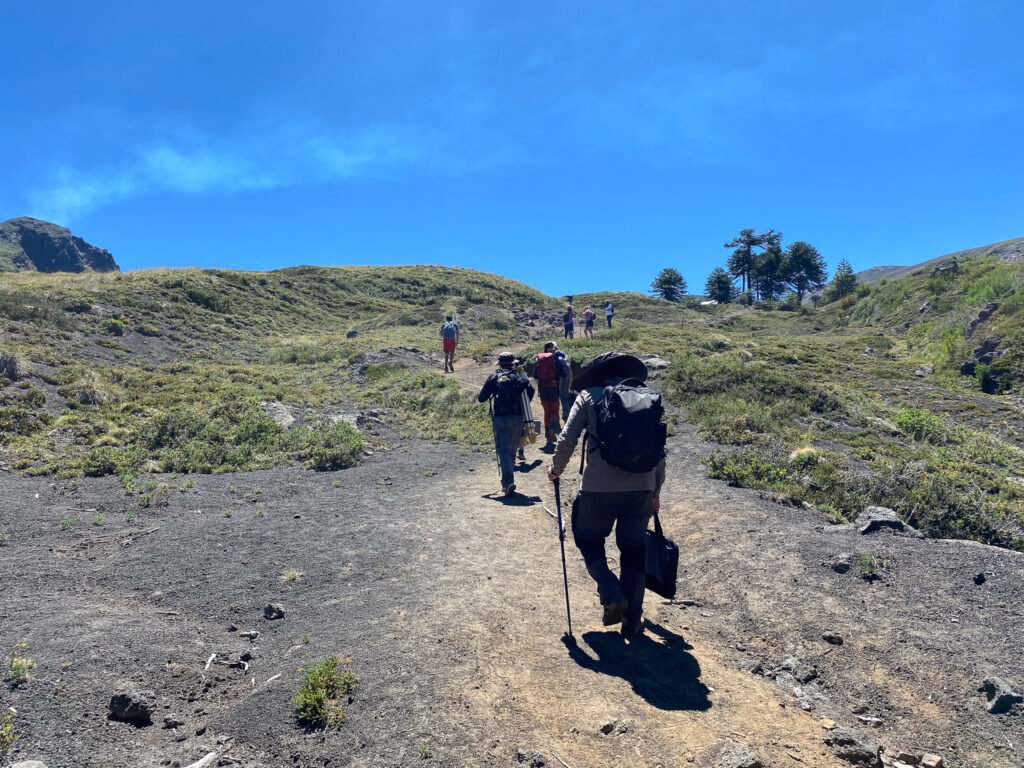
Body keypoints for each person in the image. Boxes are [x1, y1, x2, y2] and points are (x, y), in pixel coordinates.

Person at [547, 352, 665, 638]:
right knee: (634, 550)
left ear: (600, 372)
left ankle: (612, 593)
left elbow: (567, 438)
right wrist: (655, 492)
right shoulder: (647, 397)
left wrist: (556, 469)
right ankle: (633, 620)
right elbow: (659, 453)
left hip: (599, 488)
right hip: (641, 487)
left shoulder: (588, 395)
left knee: (588, 540)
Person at [478, 352, 534, 496]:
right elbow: (530, 392)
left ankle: (508, 481)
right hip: (517, 417)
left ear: (500, 364)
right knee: (512, 450)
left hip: (500, 418)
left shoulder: (494, 377)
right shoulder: (518, 376)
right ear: (513, 363)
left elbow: (481, 398)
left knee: (502, 450)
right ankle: (507, 482)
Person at [533, 342, 562, 446]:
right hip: (554, 388)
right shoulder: (557, 359)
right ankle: (553, 429)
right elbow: (564, 373)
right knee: (554, 410)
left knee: (546, 411)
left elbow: (535, 376)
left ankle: (548, 437)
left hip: (542, 388)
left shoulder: (538, 359)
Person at [552, 342, 573, 421]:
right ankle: (566, 417)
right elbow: (569, 370)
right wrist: (570, 382)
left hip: (555, 380)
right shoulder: (565, 355)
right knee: (565, 399)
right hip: (565, 378)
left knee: (555, 399)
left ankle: (555, 419)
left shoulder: (550, 357)